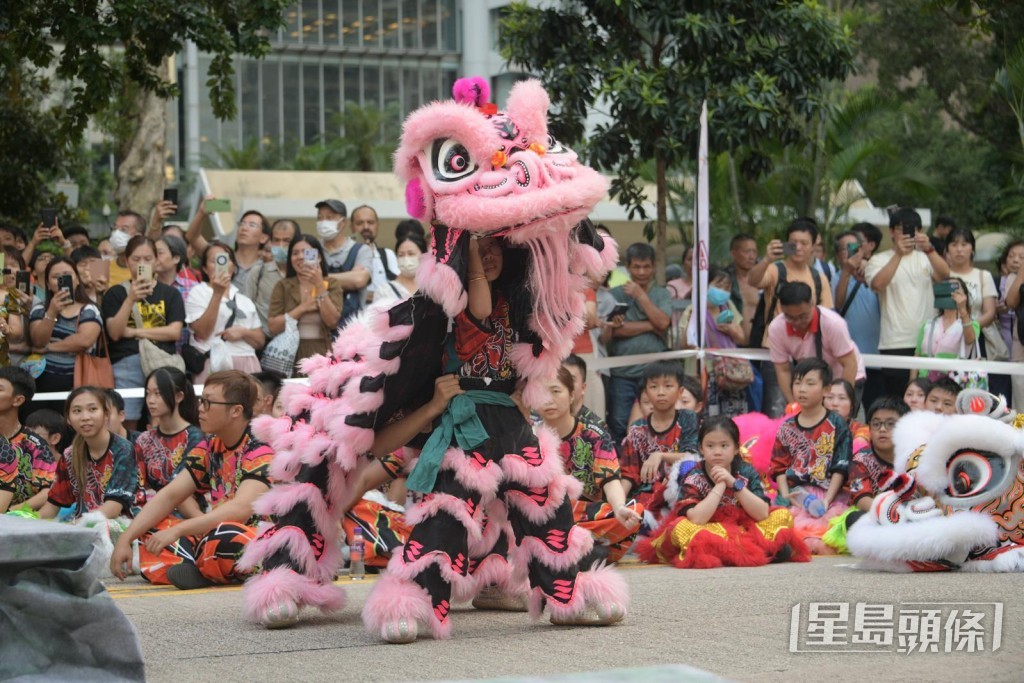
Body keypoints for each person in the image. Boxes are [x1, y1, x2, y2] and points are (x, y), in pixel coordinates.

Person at [110, 371, 273, 589]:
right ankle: (207, 569)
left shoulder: (260, 446)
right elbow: (170, 495)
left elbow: (241, 509)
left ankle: (203, 567)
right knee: (151, 535)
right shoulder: (209, 446)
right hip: (215, 533)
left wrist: (180, 530)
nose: (200, 408)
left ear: (236, 410)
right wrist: (126, 538)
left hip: (261, 536)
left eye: (208, 402)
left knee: (226, 537)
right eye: (201, 400)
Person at [638, 416, 807, 568]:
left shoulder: (746, 471)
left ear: (736, 449)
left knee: (782, 515)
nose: (717, 451)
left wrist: (733, 483)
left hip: (743, 528)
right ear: (701, 449)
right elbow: (697, 519)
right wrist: (719, 486)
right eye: (710, 446)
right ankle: (751, 552)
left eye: (724, 445)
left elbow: (762, 513)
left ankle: (736, 552)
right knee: (680, 528)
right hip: (708, 529)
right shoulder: (694, 474)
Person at [539, 366, 642, 564]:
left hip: (584, 515)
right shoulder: (529, 435)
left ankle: (572, 550)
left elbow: (610, 480)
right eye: (542, 394)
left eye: (556, 391)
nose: (548, 400)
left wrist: (619, 507)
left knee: (634, 513)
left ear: (571, 396)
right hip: (544, 516)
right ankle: (579, 552)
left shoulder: (594, 434)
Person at [748, 217, 833, 416]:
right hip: (777, 352)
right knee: (776, 408)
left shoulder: (818, 278)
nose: (798, 248)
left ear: (814, 246)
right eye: (793, 242)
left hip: (809, 354)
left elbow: (828, 314)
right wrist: (767, 258)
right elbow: (753, 280)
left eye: (804, 243)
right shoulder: (776, 270)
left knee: (811, 409)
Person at [865, 207, 950, 401]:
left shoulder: (926, 258)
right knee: (897, 399)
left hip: (928, 341)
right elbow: (877, 284)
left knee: (929, 397)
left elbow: (945, 275)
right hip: (895, 341)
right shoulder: (879, 260)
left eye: (914, 229)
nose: (909, 234)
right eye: (903, 229)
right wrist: (898, 254)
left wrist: (929, 249)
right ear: (892, 231)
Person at [101, 235, 186, 427]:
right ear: (126, 261)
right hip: (127, 362)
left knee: (160, 420)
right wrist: (131, 299)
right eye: (136, 259)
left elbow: (174, 332)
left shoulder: (170, 293)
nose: (142, 263)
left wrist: (133, 332)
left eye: (148, 259)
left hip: (161, 361)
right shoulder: (116, 293)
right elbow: (114, 332)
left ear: (156, 261)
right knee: (126, 420)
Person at [769, 358, 852, 555]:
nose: (802, 389)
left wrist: (827, 501)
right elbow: (779, 466)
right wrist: (786, 495)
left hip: (827, 496)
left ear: (826, 390)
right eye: (797, 383)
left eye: (810, 383)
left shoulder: (837, 424)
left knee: (824, 542)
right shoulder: (787, 426)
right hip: (795, 495)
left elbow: (841, 466)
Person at [602, 242, 672, 443]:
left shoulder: (661, 293)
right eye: (637, 267)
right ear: (628, 267)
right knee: (618, 422)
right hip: (622, 373)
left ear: (653, 267)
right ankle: (621, 468)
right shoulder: (615, 294)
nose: (642, 272)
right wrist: (652, 326)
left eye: (646, 267)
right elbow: (615, 329)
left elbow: (664, 322)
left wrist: (641, 296)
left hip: (653, 373)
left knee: (656, 422)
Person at [39, 386, 138, 521]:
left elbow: (113, 507)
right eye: (77, 411)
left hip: (121, 526)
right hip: (81, 529)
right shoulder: (69, 455)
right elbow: (52, 506)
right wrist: (26, 522)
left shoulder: (123, 449)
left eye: (93, 409)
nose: (85, 417)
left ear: (106, 414)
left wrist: (75, 527)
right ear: (68, 418)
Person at [619, 361, 700, 524]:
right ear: (646, 393)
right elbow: (629, 474)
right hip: (647, 498)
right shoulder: (637, 428)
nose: (661, 392)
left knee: (688, 468)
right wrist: (618, 505)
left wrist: (660, 456)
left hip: (680, 493)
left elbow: (691, 457)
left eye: (668, 386)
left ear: (680, 391)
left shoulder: (687, 418)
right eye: (654, 387)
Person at [767, 282, 865, 409]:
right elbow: (783, 370)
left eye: (803, 316)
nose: (797, 322)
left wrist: (840, 399)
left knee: (838, 423)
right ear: (781, 308)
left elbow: (849, 364)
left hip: (845, 376)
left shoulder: (833, 324)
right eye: (790, 317)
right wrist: (793, 404)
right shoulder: (776, 328)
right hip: (813, 383)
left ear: (812, 303)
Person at [27, 257, 103, 403]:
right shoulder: (39, 309)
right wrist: (52, 312)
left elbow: (84, 341)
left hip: (78, 379)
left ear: (77, 280)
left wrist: (49, 347)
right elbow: (38, 340)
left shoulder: (89, 309)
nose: (62, 279)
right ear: (48, 284)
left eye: (67, 275)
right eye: (56, 277)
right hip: (41, 382)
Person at [185, 241, 264, 381]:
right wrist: (217, 294)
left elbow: (259, 340)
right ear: (204, 268)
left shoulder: (244, 299)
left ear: (233, 266)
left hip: (247, 363)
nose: (220, 264)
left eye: (224, 259)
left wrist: (243, 332)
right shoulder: (197, 293)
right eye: (214, 260)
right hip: (215, 362)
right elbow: (202, 333)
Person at [267, 234, 344, 375]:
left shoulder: (331, 284)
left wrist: (319, 285)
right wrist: (302, 308)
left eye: (307, 252)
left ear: (319, 257)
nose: (301, 257)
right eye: (295, 253)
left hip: (322, 350)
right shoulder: (283, 286)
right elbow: (273, 326)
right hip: (289, 353)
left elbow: (332, 321)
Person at [680, 266, 749, 417]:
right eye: (718, 286)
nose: (722, 291)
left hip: (730, 375)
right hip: (703, 374)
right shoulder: (693, 310)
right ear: (705, 285)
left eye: (727, 287)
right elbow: (684, 344)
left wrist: (731, 329)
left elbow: (742, 338)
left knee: (732, 418)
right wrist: (693, 322)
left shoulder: (728, 307)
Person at [833, 223, 884, 412]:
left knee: (875, 410)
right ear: (838, 255)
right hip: (847, 361)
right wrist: (847, 272)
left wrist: (868, 274)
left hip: (877, 358)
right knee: (847, 411)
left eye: (856, 248)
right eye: (847, 249)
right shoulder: (835, 276)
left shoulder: (875, 276)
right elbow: (837, 304)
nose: (852, 252)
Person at [0, 367, 54, 513]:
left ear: (17, 400)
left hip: (17, 521)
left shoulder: (34, 445)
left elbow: (48, 492)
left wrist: (12, 512)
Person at [185, 200, 270, 290]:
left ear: (263, 238)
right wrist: (202, 213)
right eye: (242, 224)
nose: (244, 228)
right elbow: (192, 237)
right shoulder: (221, 257)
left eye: (252, 225)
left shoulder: (266, 268)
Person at [848, 397, 909, 513]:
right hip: (877, 514)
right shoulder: (860, 460)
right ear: (869, 429)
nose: (882, 429)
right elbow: (861, 499)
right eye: (876, 424)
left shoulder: (914, 455)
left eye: (890, 424)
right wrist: (892, 512)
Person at [915, 276, 979, 387]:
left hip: (953, 384)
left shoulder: (972, 323)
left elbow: (970, 340)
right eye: (947, 289)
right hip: (925, 384)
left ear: (965, 296)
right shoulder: (928, 325)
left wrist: (963, 310)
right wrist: (913, 385)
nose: (952, 294)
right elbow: (917, 357)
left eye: (955, 289)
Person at [314, 199, 373, 310]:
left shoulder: (361, 250)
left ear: (343, 222)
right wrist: (348, 277)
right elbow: (305, 282)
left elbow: (359, 280)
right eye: (320, 218)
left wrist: (319, 278)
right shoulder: (312, 249)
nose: (323, 222)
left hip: (351, 322)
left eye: (329, 218)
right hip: (319, 321)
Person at [244, 219, 298, 337]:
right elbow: (247, 307)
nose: (281, 245)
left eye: (287, 241)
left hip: (296, 343)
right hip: (265, 342)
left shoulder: (303, 274)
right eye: (276, 240)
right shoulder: (259, 272)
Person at [155, 234, 199, 352]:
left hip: (185, 355)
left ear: (176, 258)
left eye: (159, 253)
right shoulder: (145, 287)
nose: (154, 257)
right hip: (152, 355)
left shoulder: (193, 288)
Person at [352, 205, 400, 304]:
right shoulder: (346, 257)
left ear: (377, 225)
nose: (366, 227)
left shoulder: (388, 255)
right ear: (352, 227)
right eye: (360, 223)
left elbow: (400, 290)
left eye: (370, 222)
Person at [725, 233, 760, 341]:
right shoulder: (724, 282)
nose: (751, 256)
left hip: (762, 346)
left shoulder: (765, 278)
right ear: (733, 253)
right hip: (733, 345)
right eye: (747, 251)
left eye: (754, 252)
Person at [1002, 240, 1024, 407]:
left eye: (1022, 257)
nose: (1017, 260)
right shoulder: (1012, 278)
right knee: (1020, 400)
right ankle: (1019, 431)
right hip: (1020, 348)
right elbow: (1011, 301)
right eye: (1012, 256)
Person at [562, 354, 606, 430]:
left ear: (583, 388)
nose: (567, 383)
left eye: (572, 379)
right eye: (563, 378)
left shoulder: (597, 428)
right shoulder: (544, 420)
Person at [825, 379, 869, 453]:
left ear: (851, 405)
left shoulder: (862, 430)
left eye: (842, 398)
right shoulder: (814, 427)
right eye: (830, 397)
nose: (835, 403)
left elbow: (851, 452)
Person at [107, 211, 147, 287]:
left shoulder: (144, 269)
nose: (116, 234)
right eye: (115, 228)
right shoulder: (103, 268)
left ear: (137, 237)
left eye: (124, 230)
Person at [391, 232, 425, 300]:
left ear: (424, 255)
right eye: (401, 255)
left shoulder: (433, 289)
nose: (406, 259)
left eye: (411, 254)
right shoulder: (385, 291)